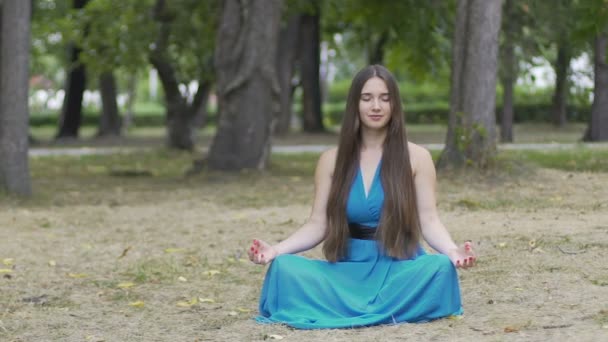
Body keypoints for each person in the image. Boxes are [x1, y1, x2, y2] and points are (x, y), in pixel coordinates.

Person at [247, 64, 476, 329]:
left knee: (439, 269)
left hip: (399, 267)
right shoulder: (330, 160)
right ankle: (375, 308)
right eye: (367, 98)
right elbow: (317, 224)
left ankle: (365, 308)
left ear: (394, 105)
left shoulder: (418, 157)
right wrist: (275, 250)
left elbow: (429, 220)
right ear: (355, 104)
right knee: (283, 268)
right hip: (347, 272)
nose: (376, 106)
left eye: (384, 98)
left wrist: (451, 251)